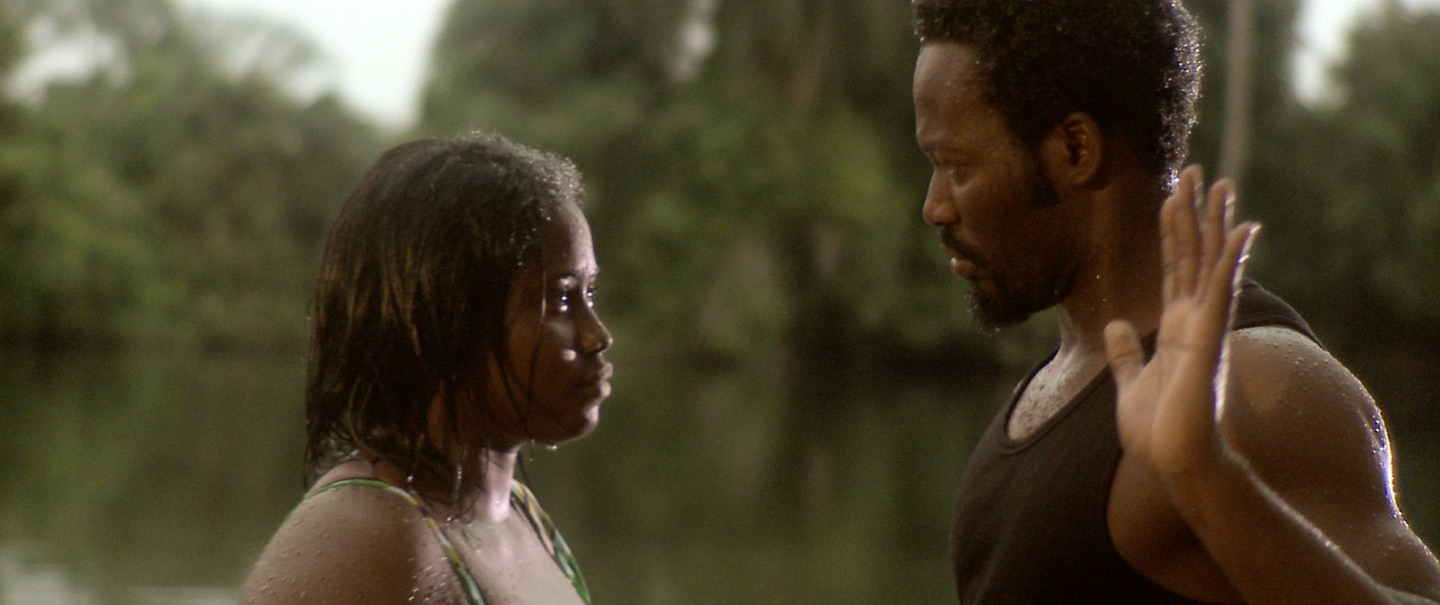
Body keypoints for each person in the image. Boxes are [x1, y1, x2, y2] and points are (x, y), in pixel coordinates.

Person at [910, 0, 1440, 602]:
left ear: (1075, 148)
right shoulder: (1053, 384)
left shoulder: (1259, 387)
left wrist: (1207, 476)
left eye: (956, 166)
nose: (935, 207)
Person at [239, 132, 613, 605]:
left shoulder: (522, 517)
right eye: (559, 299)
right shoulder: (364, 539)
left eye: (589, 293)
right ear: (448, 318)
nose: (597, 335)